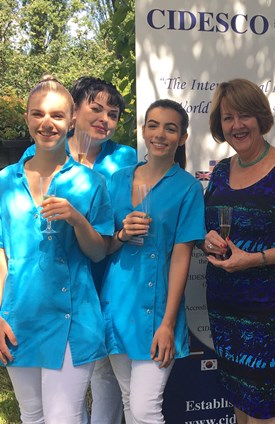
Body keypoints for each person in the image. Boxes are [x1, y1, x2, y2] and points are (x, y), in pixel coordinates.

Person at [202, 78, 275, 424]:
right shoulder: (221, 172)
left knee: (264, 405)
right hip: (226, 302)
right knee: (239, 397)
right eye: (228, 118)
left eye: (244, 115)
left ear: (260, 117)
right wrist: (208, 240)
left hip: (272, 308)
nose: (236, 125)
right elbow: (207, 229)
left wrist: (255, 259)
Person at [23, 76, 138, 424]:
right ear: (74, 112)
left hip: (110, 272)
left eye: (113, 114)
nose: (105, 119)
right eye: (96, 109)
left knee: (105, 371)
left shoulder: (124, 158)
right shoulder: (40, 154)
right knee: (65, 382)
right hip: (60, 284)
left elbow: (125, 215)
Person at [0, 76, 114, 422]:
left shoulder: (90, 182)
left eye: (57, 115)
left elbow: (99, 252)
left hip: (72, 319)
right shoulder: (5, 181)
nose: (46, 123)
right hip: (19, 318)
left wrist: (77, 219)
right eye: (38, 114)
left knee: (63, 417)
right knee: (31, 416)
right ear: (27, 117)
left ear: (72, 120)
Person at [100, 99, 205, 423]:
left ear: (182, 138)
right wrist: (121, 234)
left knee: (145, 408)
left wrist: (168, 324)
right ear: (144, 130)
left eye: (170, 128)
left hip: (157, 311)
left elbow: (182, 257)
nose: (160, 134)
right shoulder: (117, 180)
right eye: (154, 125)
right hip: (117, 306)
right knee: (129, 402)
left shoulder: (188, 188)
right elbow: (103, 247)